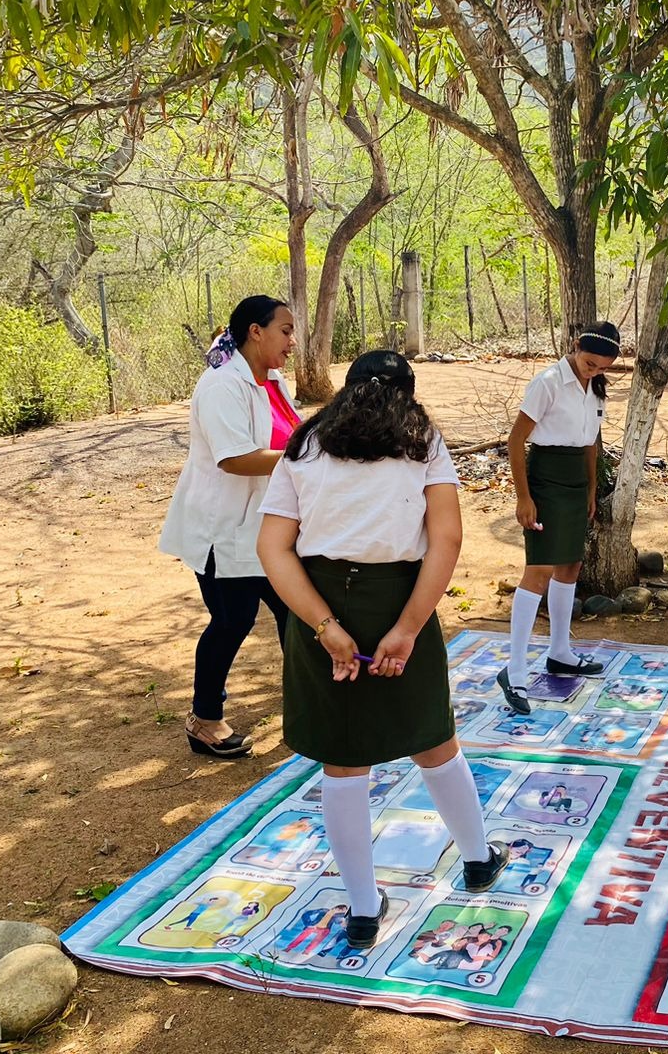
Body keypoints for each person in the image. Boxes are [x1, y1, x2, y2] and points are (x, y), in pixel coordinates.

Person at [257, 350, 508, 949]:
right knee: (433, 738)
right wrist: (409, 627)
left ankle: (364, 910)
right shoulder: (423, 439)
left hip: (320, 598)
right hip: (399, 593)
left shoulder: (304, 444)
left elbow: (273, 547)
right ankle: (477, 859)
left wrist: (324, 628)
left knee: (343, 761)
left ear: (345, 392)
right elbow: (446, 537)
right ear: (410, 396)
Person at [159, 295, 301, 758]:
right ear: (255, 332)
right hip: (224, 528)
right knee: (232, 620)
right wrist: (309, 459)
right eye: (285, 330)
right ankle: (204, 718)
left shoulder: (273, 381)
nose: (292, 342)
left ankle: (308, 705)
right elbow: (236, 458)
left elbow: (287, 437)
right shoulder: (223, 385)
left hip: (269, 529)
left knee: (296, 615)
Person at [498, 322, 622, 713]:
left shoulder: (594, 387)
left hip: (575, 482)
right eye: (589, 363)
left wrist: (590, 489)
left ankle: (560, 652)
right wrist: (524, 496)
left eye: (601, 367)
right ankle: (514, 671)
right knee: (539, 570)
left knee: (570, 566)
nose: (593, 371)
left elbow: (590, 444)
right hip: (546, 480)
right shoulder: (548, 382)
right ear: (574, 347)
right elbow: (516, 440)